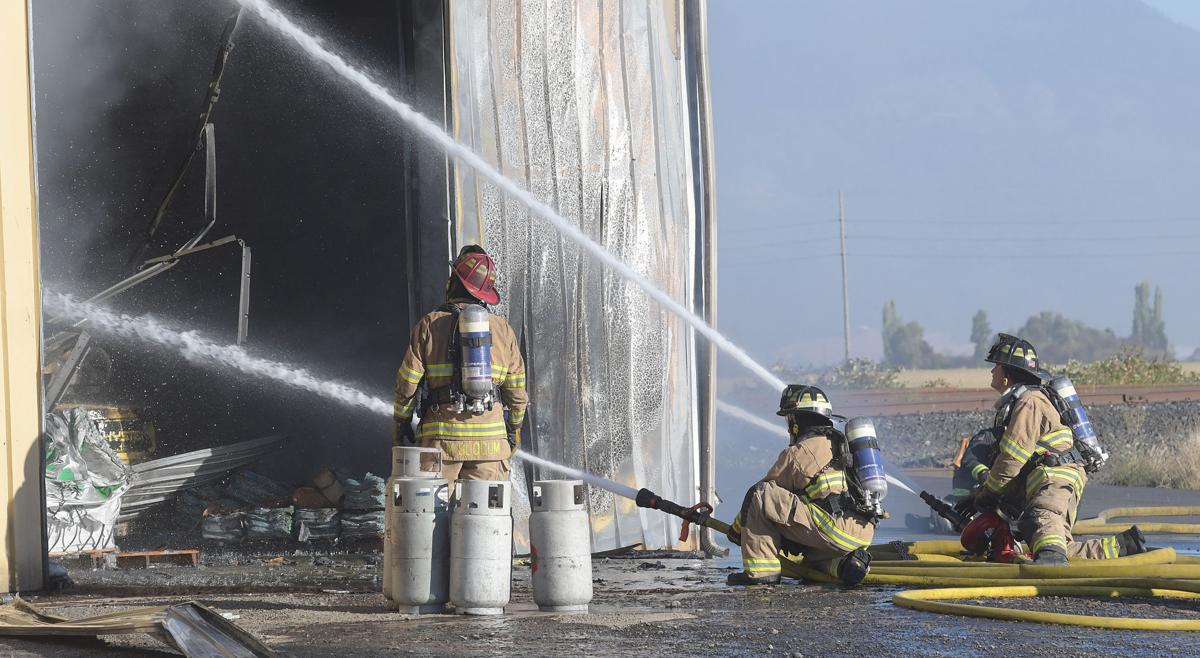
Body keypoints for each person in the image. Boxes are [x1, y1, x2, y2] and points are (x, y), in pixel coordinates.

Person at [960, 333, 1145, 563]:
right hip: (1058, 475)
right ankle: (1123, 548)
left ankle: (1050, 568)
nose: (991, 371)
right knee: (1056, 543)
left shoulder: (1030, 401)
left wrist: (989, 493)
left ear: (1007, 373)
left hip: (1054, 476)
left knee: (1042, 520)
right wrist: (980, 496)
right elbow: (1019, 466)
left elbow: (1012, 458)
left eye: (996, 366)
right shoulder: (1026, 401)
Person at [393, 245, 528, 484]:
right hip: (491, 447)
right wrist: (513, 429)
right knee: (485, 519)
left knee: (432, 517)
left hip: (440, 446)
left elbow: (407, 384)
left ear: (453, 282)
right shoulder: (502, 330)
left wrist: (401, 422)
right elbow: (517, 393)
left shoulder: (430, 325)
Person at [726, 385, 876, 586]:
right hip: (861, 533)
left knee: (760, 494)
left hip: (833, 529)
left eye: (790, 419)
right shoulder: (843, 445)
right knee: (810, 564)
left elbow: (764, 496)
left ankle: (761, 574)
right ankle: (844, 566)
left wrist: (736, 530)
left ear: (796, 421)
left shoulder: (799, 452)